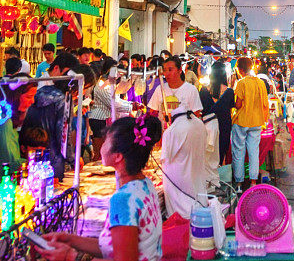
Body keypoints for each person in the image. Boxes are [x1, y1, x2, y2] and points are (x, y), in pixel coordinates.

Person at [38, 116, 163, 261]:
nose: (102, 145)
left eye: (106, 141)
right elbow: (115, 246)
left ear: (117, 156)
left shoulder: (124, 199)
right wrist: (70, 240)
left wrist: (71, 257)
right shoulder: (145, 184)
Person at [21, 52, 79, 180]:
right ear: (57, 68)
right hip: (52, 158)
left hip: (31, 154)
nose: (69, 80)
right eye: (67, 75)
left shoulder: (38, 90)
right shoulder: (59, 98)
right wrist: (72, 159)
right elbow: (63, 134)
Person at [161, 106, 208, 218]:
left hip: (180, 180)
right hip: (197, 177)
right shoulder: (200, 125)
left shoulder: (172, 131)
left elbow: (165, 158)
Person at [231, 57, 269, 187]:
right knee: (254, 153)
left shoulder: (241, 83)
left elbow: (238, 104)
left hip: (242, 121)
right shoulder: (260, 82)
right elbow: (264, 103)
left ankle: (239, 183)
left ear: (240, 70)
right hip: (257, 121)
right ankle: (253, 182)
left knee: (238, 152)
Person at [90, 60, 135, 161]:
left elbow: (119, 96)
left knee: (107, 152)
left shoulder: (111, 83)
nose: (118, 74)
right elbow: (113, 103)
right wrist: (131, 106)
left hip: (105, 119)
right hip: (99, 120)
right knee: (101, 153)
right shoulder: (102, 85)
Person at [147, 56, 202, 123]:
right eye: (164, 70)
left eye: (170, 70)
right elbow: (152, 112)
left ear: (179, 70)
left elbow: (196, 114)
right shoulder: (160, 89)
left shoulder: (191, 90)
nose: (167, 73)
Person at [198, 65, 234, 163]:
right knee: (221, 150)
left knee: (208, 152)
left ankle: (208, 174)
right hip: (224, 125)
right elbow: (231, 106)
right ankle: (220, 171)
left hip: (208, 125)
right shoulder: (229, 91)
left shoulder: (204, 90)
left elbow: (200, 107)